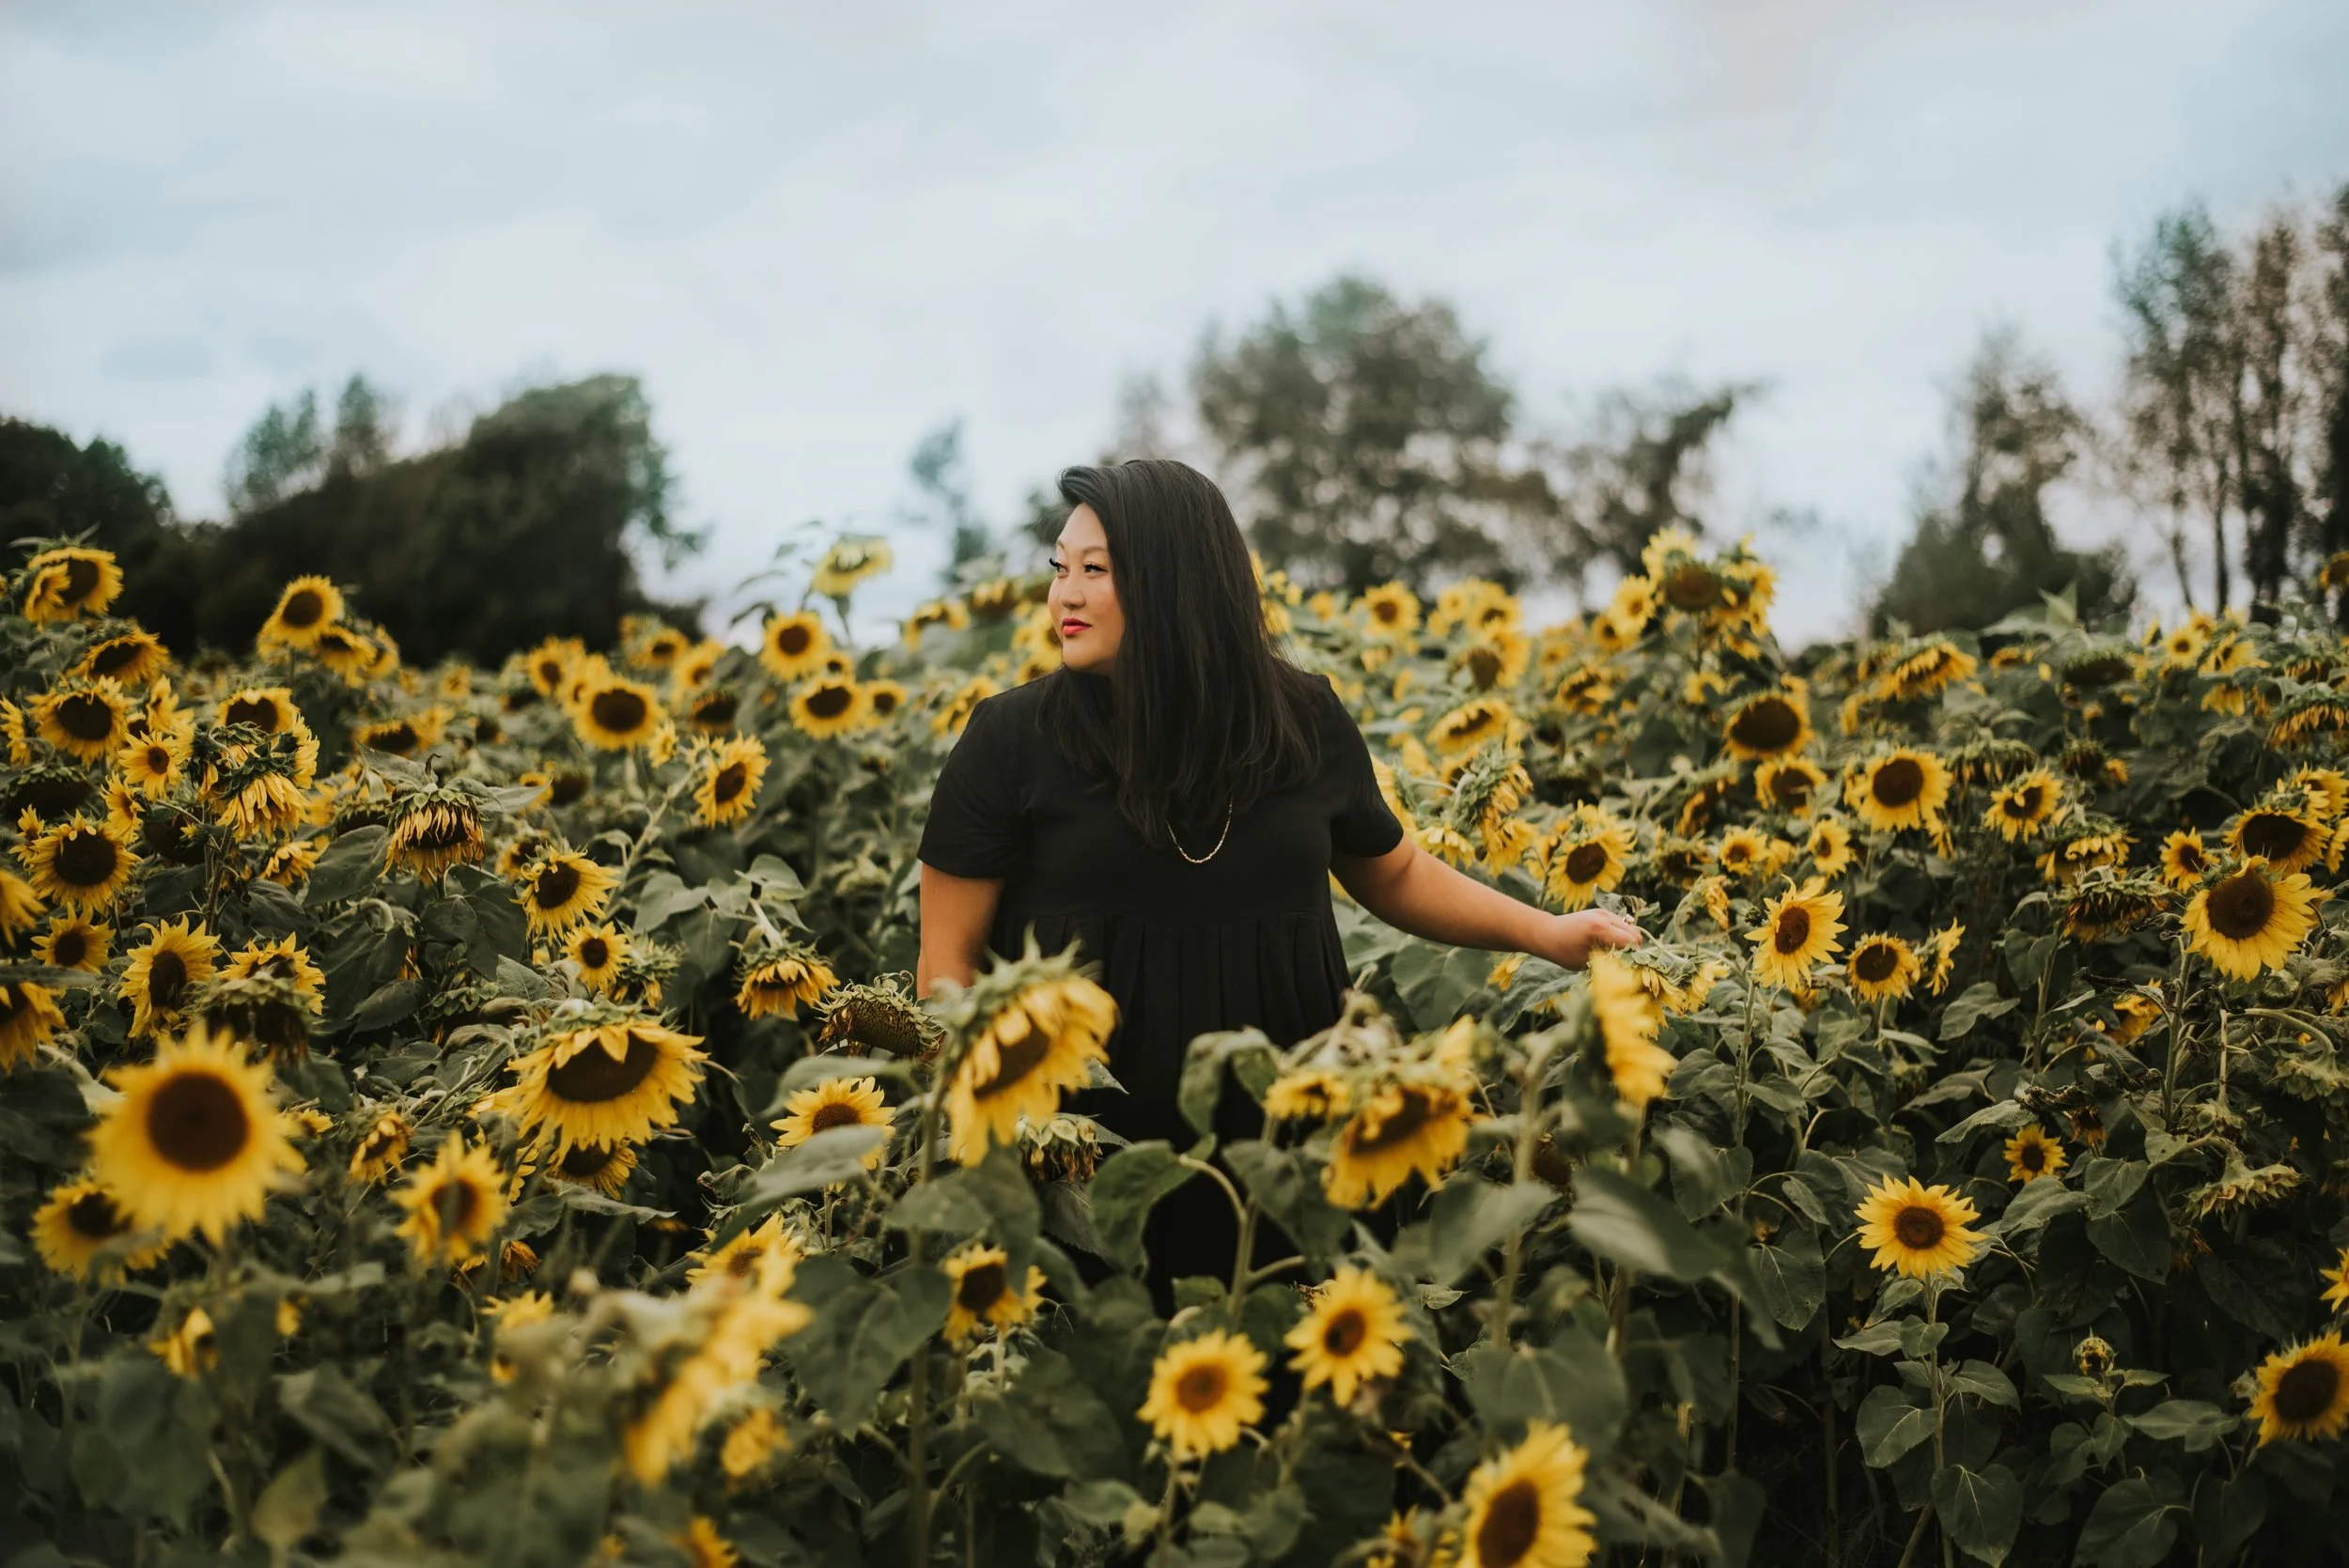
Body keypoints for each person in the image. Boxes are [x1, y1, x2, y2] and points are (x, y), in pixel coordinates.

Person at [915, 458, 1641, 1295]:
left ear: (1175, 578)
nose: (1064, 595)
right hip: (1089, 1162)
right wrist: (997, 1142)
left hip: (1297, 1148)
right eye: (1060, 568)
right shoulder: (1010, 741)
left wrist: (1547, 932)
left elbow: (1395, 869)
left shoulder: (1303, 721)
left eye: (1095, 570)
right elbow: (947, 967)